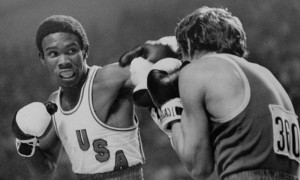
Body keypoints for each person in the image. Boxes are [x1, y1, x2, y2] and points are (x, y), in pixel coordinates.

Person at [11, 15, 180, 180]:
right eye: (53, 54)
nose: (63, 60)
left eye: (71, 50)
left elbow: (166, 52)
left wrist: (168, 46)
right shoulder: (53, 103)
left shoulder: (109, 78)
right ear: (43, 58)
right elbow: (45, 172)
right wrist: (25, 143)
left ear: (85, 51)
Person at [142, 6, 300, 180]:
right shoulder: (267, 75)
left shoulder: (196, 70)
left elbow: (199, 167)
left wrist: (169, 109)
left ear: (188, 43)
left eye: (181, 53)